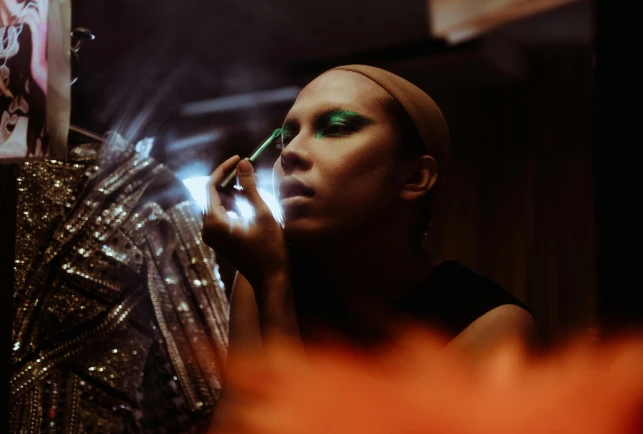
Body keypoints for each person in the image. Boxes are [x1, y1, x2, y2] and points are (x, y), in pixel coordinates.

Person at [203, 64, 536, 360]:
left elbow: (302, 432)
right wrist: (270, 281)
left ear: (414, 177)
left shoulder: (490, 322)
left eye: (334, 128)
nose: (290, 153)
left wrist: (275, 287)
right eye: (285, 139)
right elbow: (240, 428)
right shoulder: (263, 269)